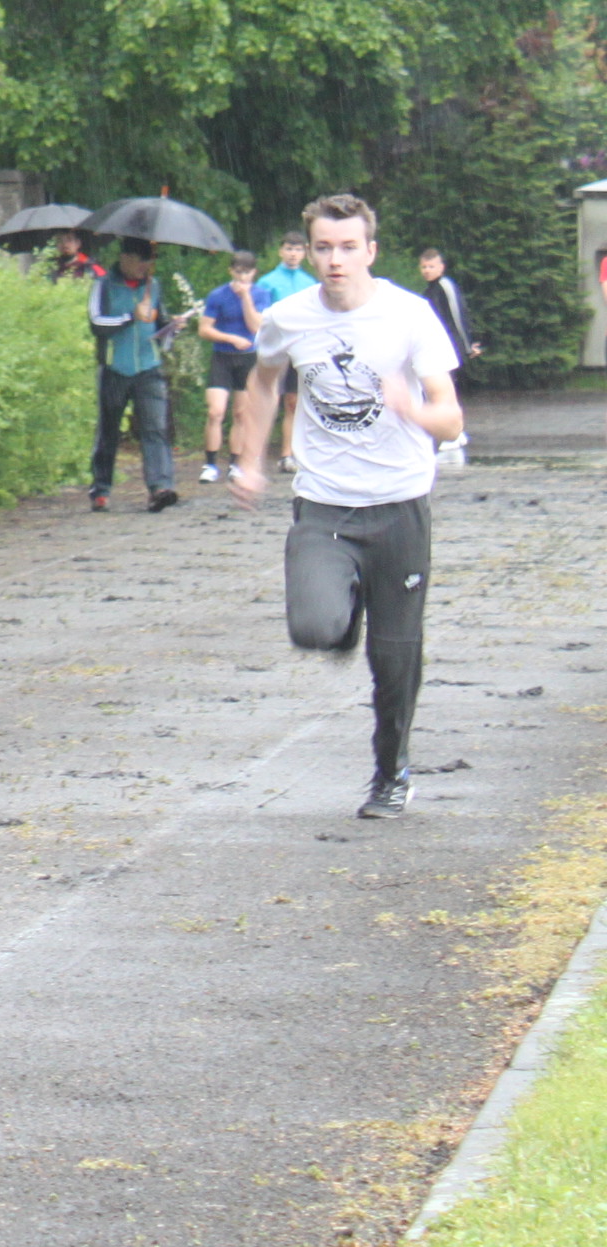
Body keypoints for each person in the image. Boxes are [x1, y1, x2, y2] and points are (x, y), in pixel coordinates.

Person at [229, 195, 464, 819]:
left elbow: (450, 417)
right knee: (316, 626)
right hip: (325, 505)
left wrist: (412, 409)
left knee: (394, 658)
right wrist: (250, 461)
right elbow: (263, 382)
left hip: (399, 505)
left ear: (371, 251)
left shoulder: (409, 316)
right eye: (324, 248)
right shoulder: (288, 317)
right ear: (309, 252)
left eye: (348, 247)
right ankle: (342, 611)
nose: (336, 260)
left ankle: (391, 773)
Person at [88, 238, 180, 511]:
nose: (144, 267)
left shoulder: (154, 286)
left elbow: (160, 327)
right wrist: (130, 316)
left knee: (155, 428)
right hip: (114, 367)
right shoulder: (103, 285)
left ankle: (160, 487)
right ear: (125, 258)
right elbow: (96, 323)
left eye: (148, 261)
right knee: (109, 430)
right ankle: (101, 488)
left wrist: (172, 328)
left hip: (149, 367)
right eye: (140, 261)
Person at [194, 250, 263, 483]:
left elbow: (256, 327)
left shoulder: (261, 294)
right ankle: (210, 464)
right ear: (231, 271)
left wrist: (246, 298)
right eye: (238, 272)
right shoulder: (218, 295)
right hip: (222, 357)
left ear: (253, 273)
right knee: (215, 411)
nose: (242, 277)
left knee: (241, 413)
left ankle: (235, 463)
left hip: (248, 358)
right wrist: (230, 338)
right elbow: (204, 329)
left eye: (247, 272)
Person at [253, 234, 318, 471]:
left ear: (305, 253)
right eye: (289, 248)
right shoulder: (267, 282)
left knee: (293, 402)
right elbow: (260, 319)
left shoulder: (310, 283)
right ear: (281, 251)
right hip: (275, 350)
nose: (293, 254)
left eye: (298, 250)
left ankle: (288, 454)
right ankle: (254, 453)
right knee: (265, 399)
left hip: (299, 350)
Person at [415, 247, 478, 468]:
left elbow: (458, 315)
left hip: (450, 348)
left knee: (445, 394)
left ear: (441, 267)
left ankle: (454, 438)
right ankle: (449, 437)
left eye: (431, 266)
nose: (427, 270)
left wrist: (468, 345)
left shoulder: (445, 286)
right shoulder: (429, 291)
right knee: (434, 394)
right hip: (434, 349)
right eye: (424, 267)